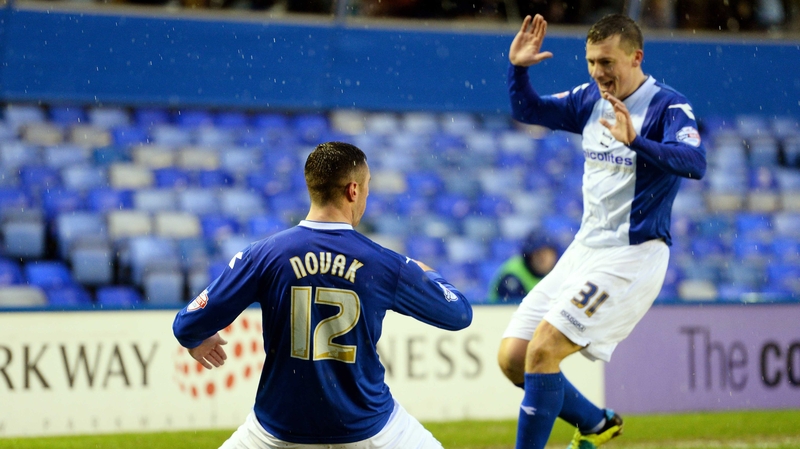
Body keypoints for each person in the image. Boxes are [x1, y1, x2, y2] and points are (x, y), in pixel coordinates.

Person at [173, 141, 473, 449]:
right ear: (353, 190)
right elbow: (459, 314)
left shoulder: (263, 255)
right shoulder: (384, 264)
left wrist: (195, 339)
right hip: (370, 430)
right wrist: (428, 273)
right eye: (368, 186)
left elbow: (186, 324)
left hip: (278, 432)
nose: (367, 195)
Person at [499, 13, 706, 449]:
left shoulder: (669, 107)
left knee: (542, 352)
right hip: (584, 249)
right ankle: (596, 423)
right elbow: (528, 110)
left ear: (637, 57)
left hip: (632, 255)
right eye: (592, 61)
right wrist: (518, 70)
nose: (598, 72)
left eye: (607, 62)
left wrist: (638, 142)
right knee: (514, 358)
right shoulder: (589, 98)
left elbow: (694, 163)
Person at [488, 232, 558, 303]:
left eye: (549, 255)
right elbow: (513, 307)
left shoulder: (556, 273)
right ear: (529, 255)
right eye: (539, 254)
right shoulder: (512, 275)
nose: (544, 260)